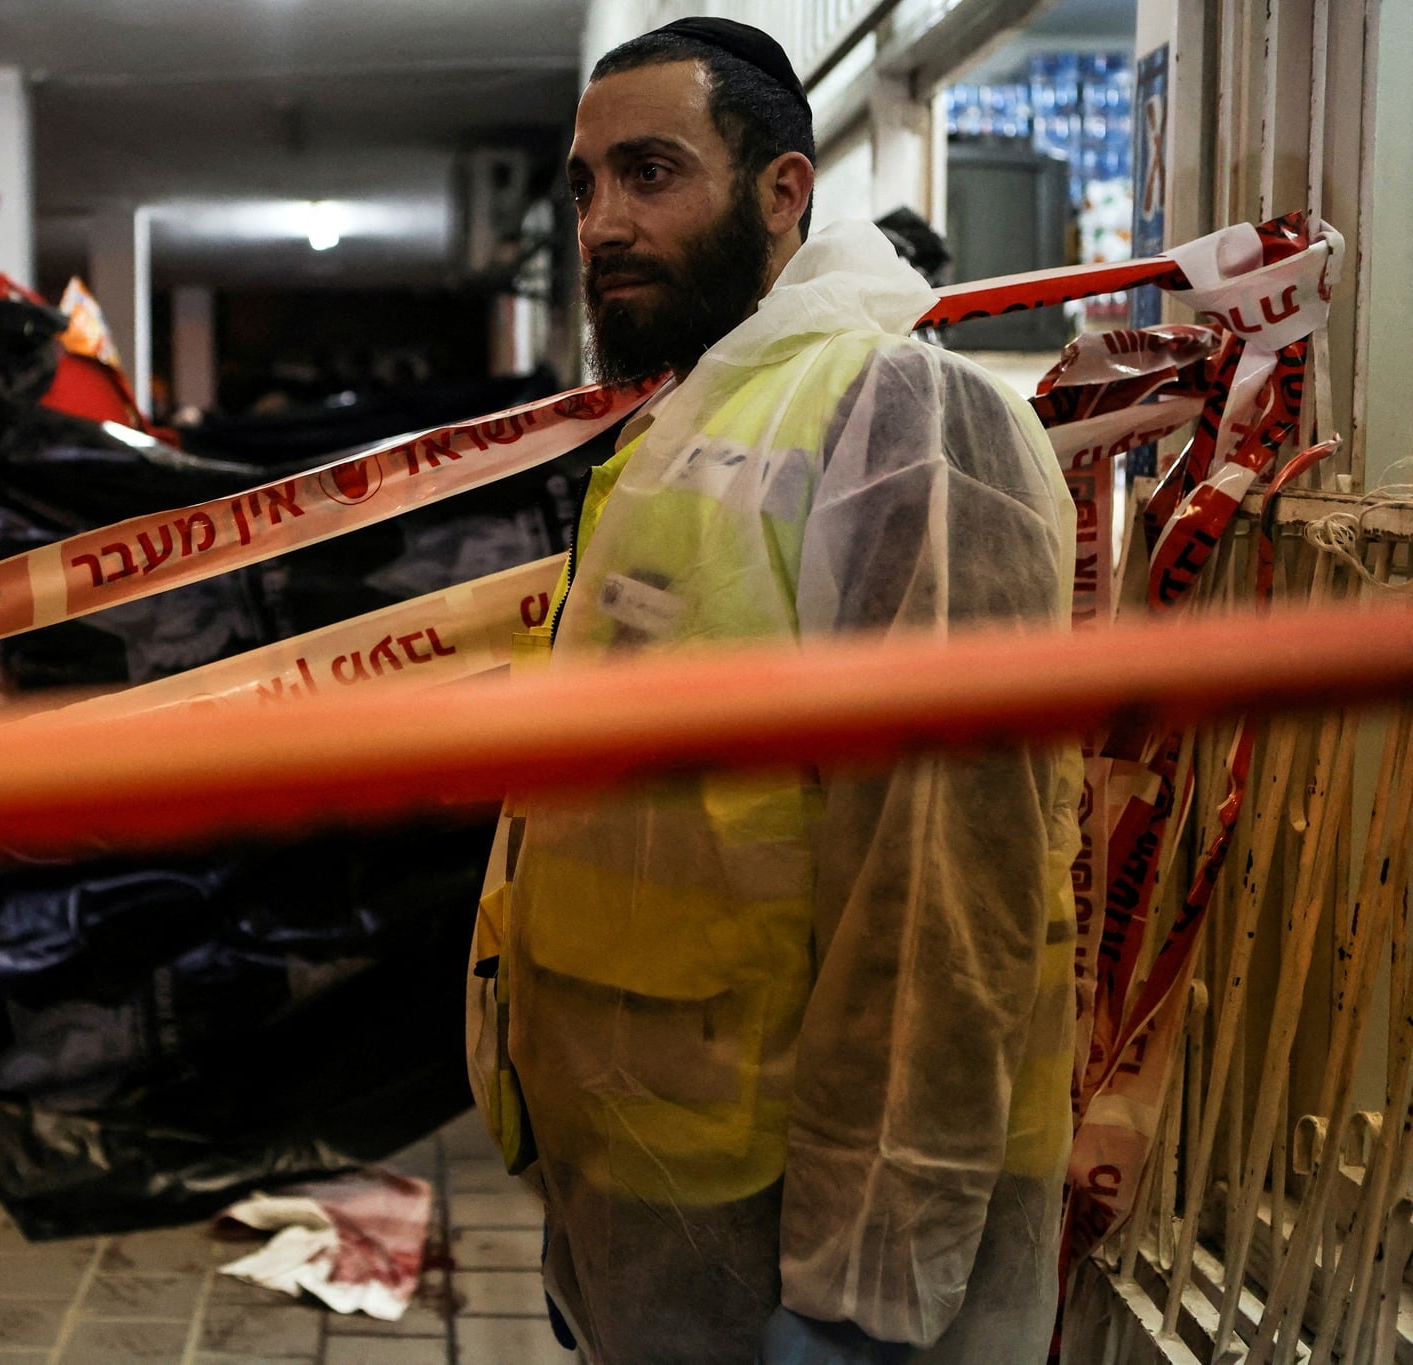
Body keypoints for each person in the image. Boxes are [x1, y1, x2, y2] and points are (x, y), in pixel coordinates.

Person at [464, 18, 1080, 1365]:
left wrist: (864, 1290)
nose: (603, 224)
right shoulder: (682, 425)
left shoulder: (908, 417)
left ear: (782, 189)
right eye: (585, 186)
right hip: (654, 1213)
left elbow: (946, 881)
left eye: (651, 173)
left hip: (799, 1256)